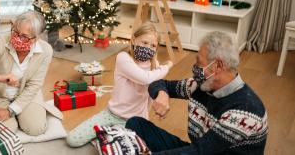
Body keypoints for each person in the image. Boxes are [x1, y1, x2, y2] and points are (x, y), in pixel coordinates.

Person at [126, 31, 268, 154]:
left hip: (200, 152)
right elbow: (158, 83)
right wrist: (162, 93)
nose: (194, 67)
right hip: (198, 150)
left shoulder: (246, 110)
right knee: (136, 124)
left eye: (199, 62)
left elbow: (199, 151)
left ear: (217, 65)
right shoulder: (201, 85)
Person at [66, 23, 173, 147]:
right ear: (133, 39)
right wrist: (167, 66)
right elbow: (144, 78)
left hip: (135, 122)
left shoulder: (155, 66)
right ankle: (106, 136)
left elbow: (151, 94)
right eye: (144, 43)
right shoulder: (123, 58)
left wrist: (147, 117)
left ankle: (107, 137)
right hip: (111, 114)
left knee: (127, 149)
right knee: (72, 140)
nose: (148, 48)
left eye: (153, 45)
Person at [0, 10, 62, 136]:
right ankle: (18, 116)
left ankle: (24, 114)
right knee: (5, 132)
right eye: (15, 32)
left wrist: (10, 111)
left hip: (25, 92)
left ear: (35, 38)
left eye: (24, 36)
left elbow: (34, 85)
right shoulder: (1, 42)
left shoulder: (46, 50)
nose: (17, 38)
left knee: (36, 128)